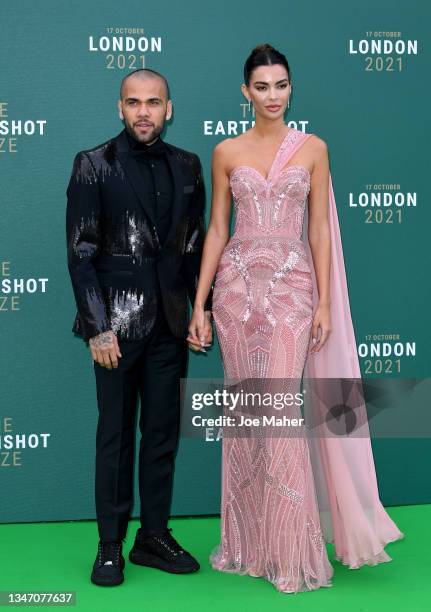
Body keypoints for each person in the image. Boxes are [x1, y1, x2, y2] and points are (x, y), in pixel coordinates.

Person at [187, 44, 404, 593]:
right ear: (245, 92)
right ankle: (247, 543)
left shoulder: (313, 150)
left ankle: (291, 549)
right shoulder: (225, 151)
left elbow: (319, 232)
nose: (272, 96)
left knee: (280, 413)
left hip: (292, 291)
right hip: (236, 292)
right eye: (261, 87)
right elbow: (217, 229)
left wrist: (325, 302)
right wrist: (201, 303)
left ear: (291, 88)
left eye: (281, 85)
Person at [66, 68, 212, 587]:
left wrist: (202, 309)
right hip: (116, 331)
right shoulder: (93, 165)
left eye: (154, 102)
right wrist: (97, 327)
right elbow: (81, 252)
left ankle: (152, 537)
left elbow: (194, 249)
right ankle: (110, 546)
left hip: (171, 326)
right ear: (120, 108)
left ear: (169, 109)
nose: (144, 111)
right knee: (116, 437)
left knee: (162, 436)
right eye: (134, 102)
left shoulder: (190, 167)